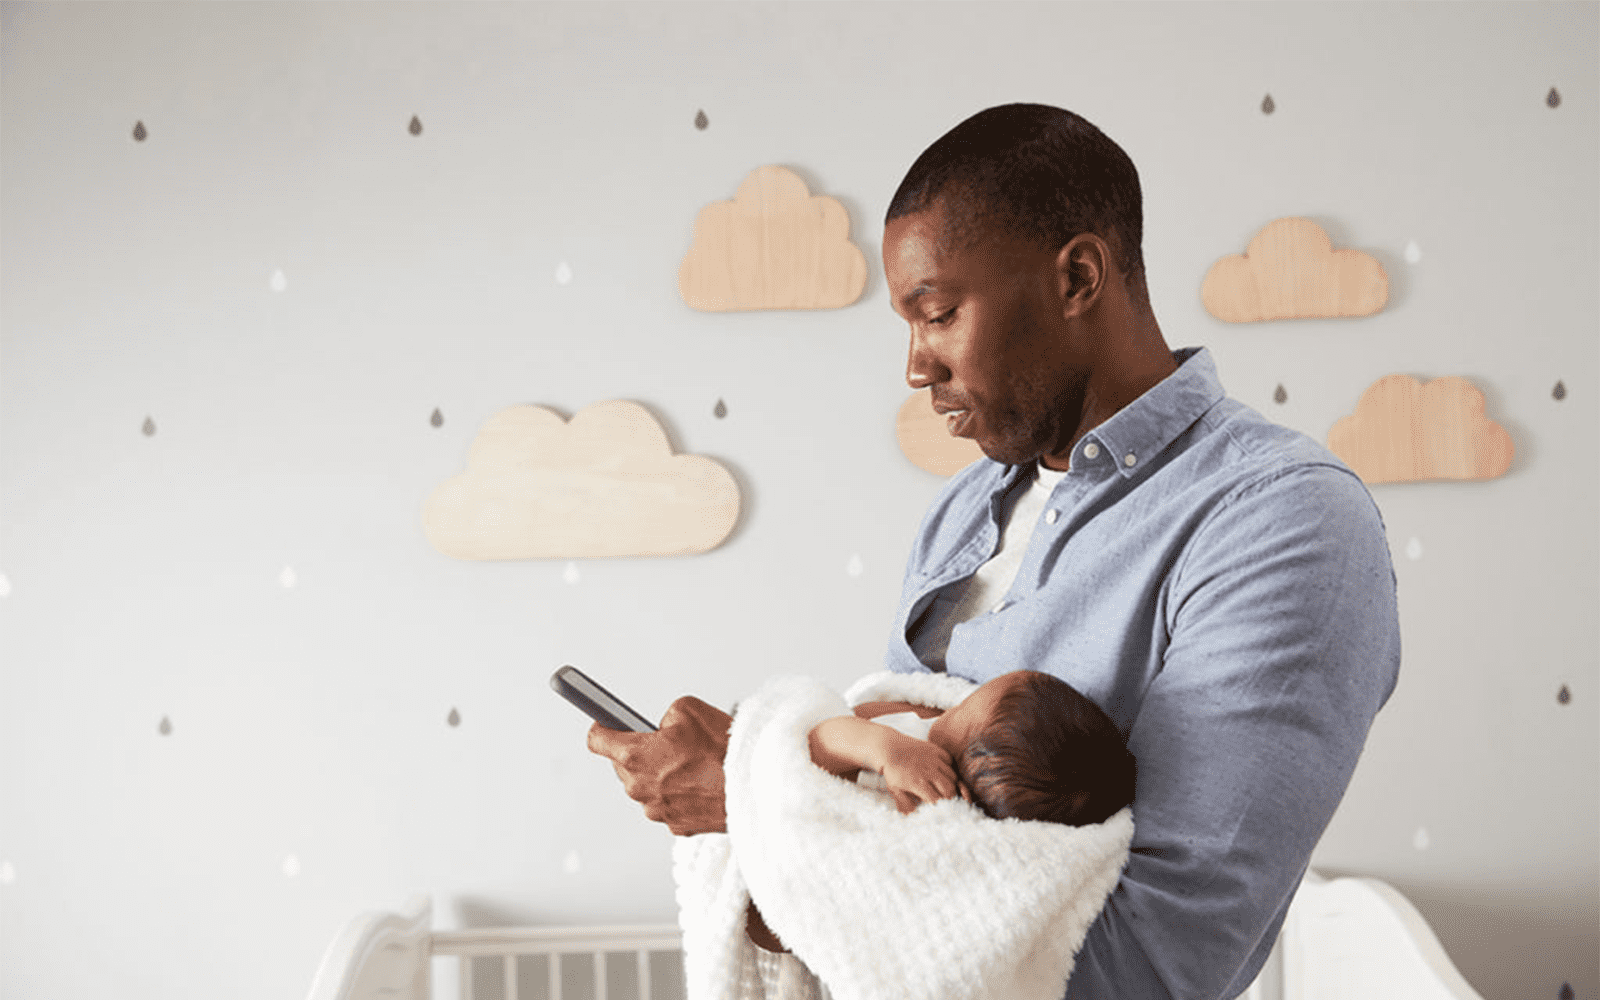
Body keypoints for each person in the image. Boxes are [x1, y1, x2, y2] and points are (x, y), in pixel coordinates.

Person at [590, 102, 1402, 999]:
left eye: (936, 313)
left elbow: (1151, 967)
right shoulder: (962, 511)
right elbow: (890, 822)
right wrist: (771, 773)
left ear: (1079, 276)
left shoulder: (1278, 521)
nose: (915, 365)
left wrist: (751, 810)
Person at [810, 668, 1135, 826]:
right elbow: (800, 744)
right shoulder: (922, 736)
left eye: (959, 712)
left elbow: (818, 743)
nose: (941, 712)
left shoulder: (910, 748)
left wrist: (884, 748)